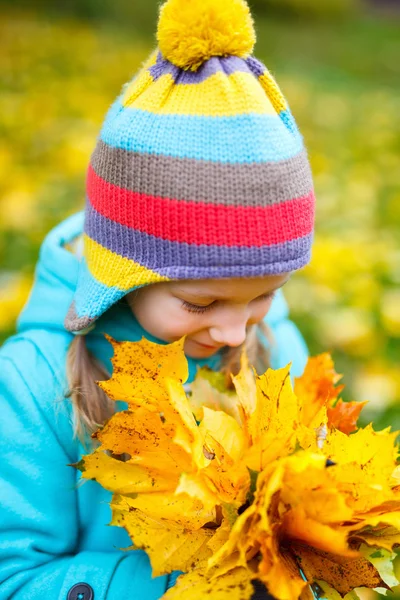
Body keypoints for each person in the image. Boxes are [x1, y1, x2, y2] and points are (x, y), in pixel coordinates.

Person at [0, 0, 315, 598]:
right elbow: (11, 576)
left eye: (264, 295)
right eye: (200, 304)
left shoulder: (275, 352)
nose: (233, 333)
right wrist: (189, 583)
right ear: (121, 278)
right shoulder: (34, 389)